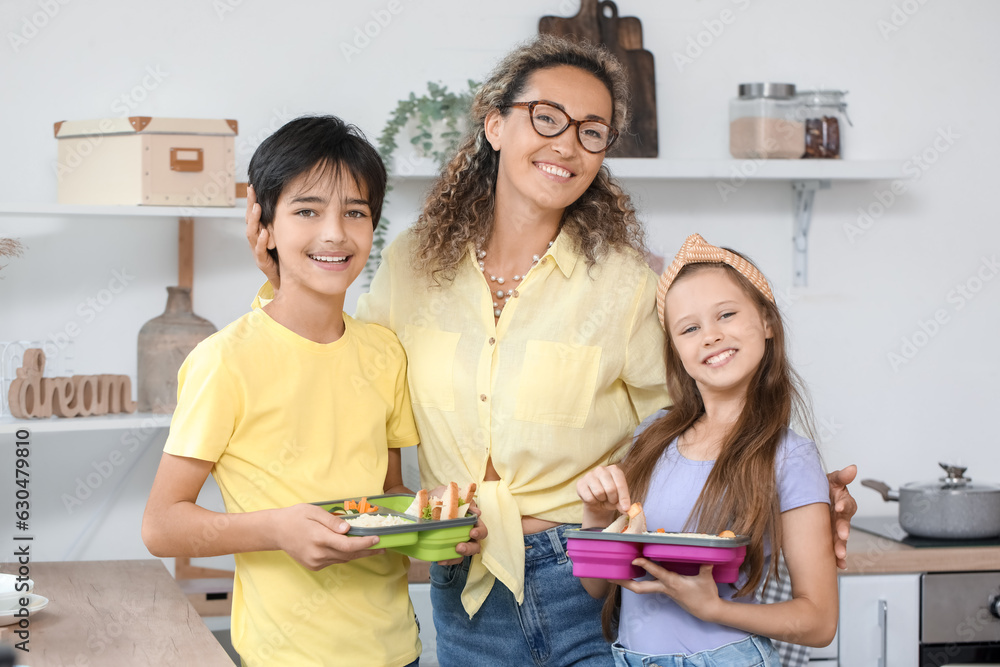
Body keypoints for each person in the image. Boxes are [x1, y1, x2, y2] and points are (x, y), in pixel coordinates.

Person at [246, 36, 857, 667]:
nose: (567, 144)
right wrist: (276, 266)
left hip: (592, 578)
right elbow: (346, 368)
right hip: (462, 577)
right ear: (495, 124)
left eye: (593, 131)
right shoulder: (412, 266)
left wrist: (795, 489)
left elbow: (699, 423)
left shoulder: (626, 286)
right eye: (546, 118)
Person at [142, 115, 425, 667]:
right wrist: (276, 528)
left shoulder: (384, 352)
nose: (334, 233)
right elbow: (161, 525)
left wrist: (439, 535)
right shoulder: (225, 360)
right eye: (306, 211)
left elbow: (387, 499)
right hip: (286, 655)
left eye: (356, 213)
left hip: (397, 649)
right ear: (263, 225)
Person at [577, 234, 838, 666]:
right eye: (690, 328)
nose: (712, 336)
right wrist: (597, 518)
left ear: (768, 322)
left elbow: (819, 621)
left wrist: (714, 608)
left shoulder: (790, 457)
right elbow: (597, 587)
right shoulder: (651, 438)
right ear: (676, 351)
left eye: (727, 315)